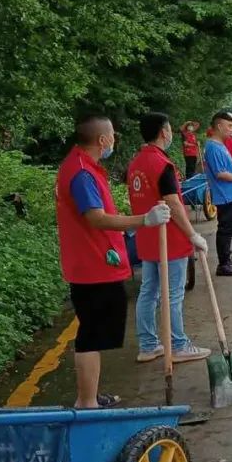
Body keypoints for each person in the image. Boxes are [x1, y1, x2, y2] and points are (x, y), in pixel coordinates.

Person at [55, 115, 171, 408]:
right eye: (112, 136)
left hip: (97, 260)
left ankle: (91, 395)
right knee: (91, 336)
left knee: (96, 333)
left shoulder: (86, 168)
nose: (114, 140)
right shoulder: (81, 172)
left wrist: (130, 227)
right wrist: (144, 220)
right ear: (102, 140)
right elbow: (95, 217)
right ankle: (86, 402)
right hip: (92, 266)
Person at [127, 113, 212, 364]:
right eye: (169, 129)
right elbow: (173, 203)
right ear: (164, 132)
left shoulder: (136, 163)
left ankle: (148, 344)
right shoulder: (161, 164)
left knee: (149, 291)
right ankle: (178, 345)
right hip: (169, 240)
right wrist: (193, 235)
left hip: (147, 236)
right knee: (172, 294)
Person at [204, 110, 232, 276]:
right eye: (229, 126)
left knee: (229, 228)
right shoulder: (213, 147)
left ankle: (227, 259)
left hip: (231, 193)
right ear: (219, 126)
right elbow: (220, 173)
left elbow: (226, 168)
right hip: (224, 194)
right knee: (225, 229)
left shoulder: (220, 145)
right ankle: (223, 264)